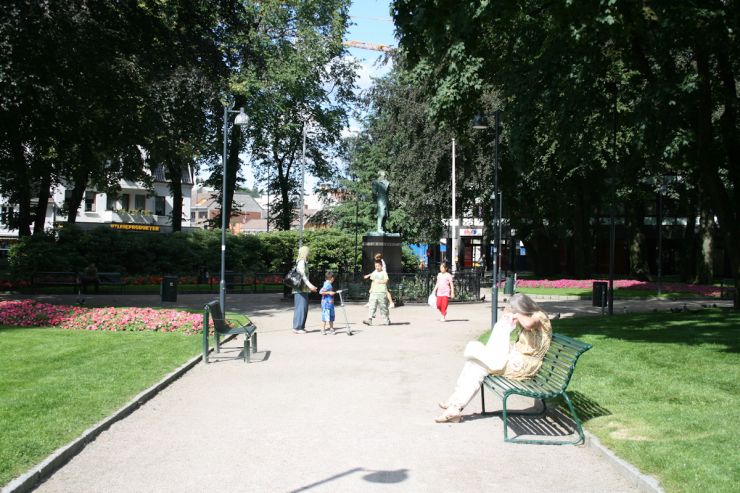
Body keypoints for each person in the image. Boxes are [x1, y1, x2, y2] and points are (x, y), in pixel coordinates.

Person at [435, 293, 552, 423]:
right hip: (517, 359)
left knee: (479, 366)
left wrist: (517, 314)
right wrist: (508, 314)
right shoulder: (527, 315)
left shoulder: (540, 316)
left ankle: (455, 406)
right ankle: (454, 404)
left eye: (516, 309)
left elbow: (529, 324)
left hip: (525, 365)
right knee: (474, 362)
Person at [292, 245, 317, 334]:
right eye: (307, 252)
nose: (308, 253)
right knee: (301, 307)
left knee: (303, 307)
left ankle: (301, 326)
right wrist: (310, 285)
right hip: (300, 289)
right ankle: (297, 327)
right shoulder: (301, 261)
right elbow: (303, 275)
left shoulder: (303, 261)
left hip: (303, 289)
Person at [362, 259, 390, 326]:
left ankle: (386, 319)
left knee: (383, 306)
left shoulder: (384, 273)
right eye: (375, 266)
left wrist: (380, 282)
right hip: (374, 292)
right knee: (372, 306)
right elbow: (373, 282)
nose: (377, 267)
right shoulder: (374, 273)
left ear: (381, 266)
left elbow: (386, 281)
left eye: (378, 266)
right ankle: (370, 320)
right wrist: (371, 289)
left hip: (382, 292)